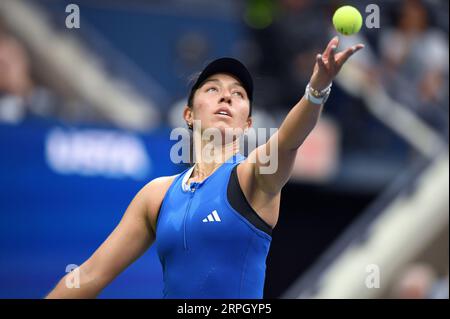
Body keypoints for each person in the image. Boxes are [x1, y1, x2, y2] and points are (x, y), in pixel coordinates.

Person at [46, 36, 364, 299]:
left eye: (238, 94)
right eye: (212, 89)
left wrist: (316, 91)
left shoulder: (252, 177)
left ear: (247, 123)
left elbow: (289, 140)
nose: (226, 96)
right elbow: (90, 274)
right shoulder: (155, 196)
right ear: (188, 115)